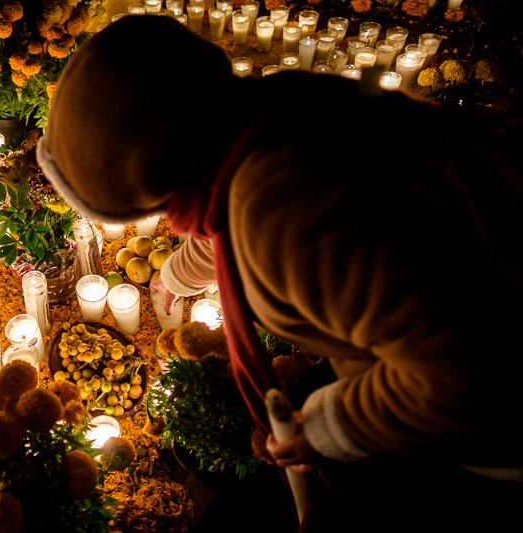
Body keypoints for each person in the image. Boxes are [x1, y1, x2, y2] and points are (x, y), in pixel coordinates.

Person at [36, 15, 523, 532]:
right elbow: (233, 206)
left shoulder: (285, 214)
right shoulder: (272, 112)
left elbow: (464, 376)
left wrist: (330, 425)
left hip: (494, 439)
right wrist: (178, 273)